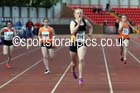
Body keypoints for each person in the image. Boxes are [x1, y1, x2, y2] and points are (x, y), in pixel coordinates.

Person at [69, 9, 93, 85]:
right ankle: (73, 70)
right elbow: (72, 32)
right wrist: (78, 24)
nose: (79, 14)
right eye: (77, 13)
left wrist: (90, 33)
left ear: (82, 14)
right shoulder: (73, 22)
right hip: (73, 43)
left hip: (82, 42)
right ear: (74, 14)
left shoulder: (85, 21)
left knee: (81, 59)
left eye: (80, 13)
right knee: (73, 62)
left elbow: (91, 26)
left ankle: (80, 77)